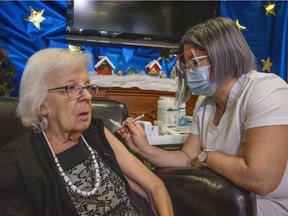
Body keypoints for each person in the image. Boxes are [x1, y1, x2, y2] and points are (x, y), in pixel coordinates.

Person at [118, 17, 288, 216]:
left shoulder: (267, 90)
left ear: (223, 55)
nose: (190, 69)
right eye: (187, 62)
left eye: (195, 61)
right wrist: (144, 148)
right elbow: (187, 158)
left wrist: (208, 157)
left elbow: (261, 180)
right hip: (223, 198)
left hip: (267, 205)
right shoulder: (206, 101)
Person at [0, 48, 173, 216]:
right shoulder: (15, 165)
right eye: (71, 87)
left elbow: (155, 187)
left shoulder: (96, 132)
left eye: (87, 86)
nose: (88, 96)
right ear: (41, 105)